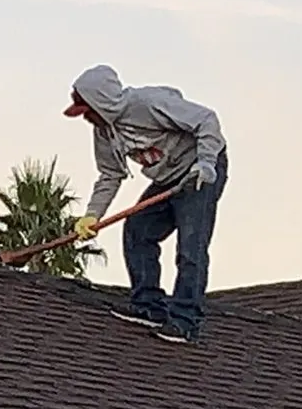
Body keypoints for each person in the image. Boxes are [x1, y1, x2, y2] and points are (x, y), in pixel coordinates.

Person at [64, 64, 228, 344]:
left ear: (101, 101)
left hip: (199, 173)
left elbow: (207, 120)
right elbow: (110, 174)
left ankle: (185, 321)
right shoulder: (105, 132)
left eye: (88, 110)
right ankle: (149, 306)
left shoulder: (149, 103)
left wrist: (206, 163)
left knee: (191, 247)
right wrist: (92, 216)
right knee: (138, 231)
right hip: (167, 180)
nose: (87, 118)